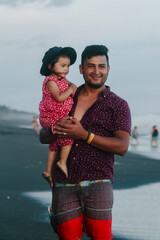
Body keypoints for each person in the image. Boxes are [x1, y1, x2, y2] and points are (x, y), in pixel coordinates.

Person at [39, 45, 131, 240]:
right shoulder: (66, 97)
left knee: (101, 237)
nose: (96, 71)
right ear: (81, 69)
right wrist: (55, 129)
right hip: (64, 184)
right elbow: (43, 136)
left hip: (99, 183)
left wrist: (84, 135)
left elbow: (122, 147)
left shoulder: (118, 105)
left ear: (108, 69)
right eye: (90, 66)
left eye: (101, 66)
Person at [39, 46, 77, 185]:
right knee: (67, 137)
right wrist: (71, 90)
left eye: (67, 66)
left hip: (56, 116)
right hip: (51, 117)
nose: (66, 69)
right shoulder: (50, 81)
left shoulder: (62, 79)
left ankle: (48, 171)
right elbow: (59, 97)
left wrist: (72, 86)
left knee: (54, 145)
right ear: (50, 66)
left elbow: (71, 85)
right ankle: (62, 162)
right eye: (62, 65)